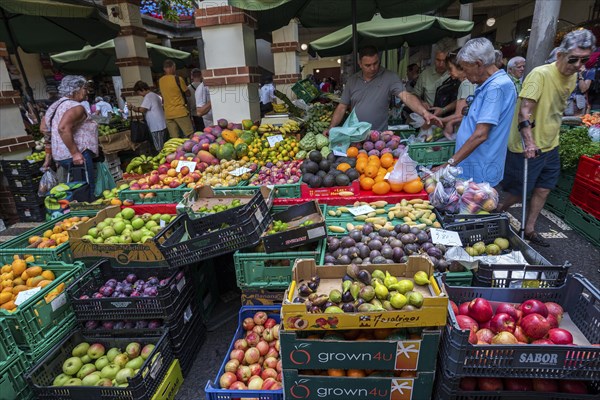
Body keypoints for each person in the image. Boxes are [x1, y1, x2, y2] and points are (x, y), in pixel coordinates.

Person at [498, 29, 596, 246]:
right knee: (519, 191)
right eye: (574, 59)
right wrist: (530, 143)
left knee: (544, 187)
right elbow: (525, 111)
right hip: (528, 145)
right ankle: (498, 211)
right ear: (560, 55)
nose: (579, 65)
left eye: (584, 60)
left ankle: (530, 229)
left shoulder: (571, 78)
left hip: (551, 143)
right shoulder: (540, 74)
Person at [435, 38, 517, 188]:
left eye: (466, 69)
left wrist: (448, 164)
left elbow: (481, 134)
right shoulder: (487, 85)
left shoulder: (496, 87)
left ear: (479, 64)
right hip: (471, 168)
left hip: (480, 173)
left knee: (472, 209)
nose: (464, 75)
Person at [326, 45, 441, 133]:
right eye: (368, 65)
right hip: (355, 136)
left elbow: (406, 96)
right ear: (360, 63)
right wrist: (331, 127)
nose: (373, 68)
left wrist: (424, 112)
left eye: (375, 63)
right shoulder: (352, 81)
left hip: (379, 138)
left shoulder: (389, 77)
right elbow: (342, 107)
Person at [40, 75, 99, 196]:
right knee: (86, 189)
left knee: (74, 190)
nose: (86, 92)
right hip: (78, 154)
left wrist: (49, 156)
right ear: (76, 89)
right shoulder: (76, 107)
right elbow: (63, 128)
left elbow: (44, 129)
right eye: (84, 88)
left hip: (61, 156)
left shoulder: (55, 106)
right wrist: (75, 153)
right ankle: (88, 211)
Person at [440, 50, 477, 139]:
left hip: (465, 132)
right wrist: (443, 110)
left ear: (460, 67)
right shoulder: (471, 82)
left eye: (450, 68)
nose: (449, 72)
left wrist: (438, 120)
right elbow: (462, 101)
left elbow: (459, 115)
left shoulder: (466, 84)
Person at [158, 59, 194, 138]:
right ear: (173, 67)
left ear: (164, 69)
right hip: (180, 111)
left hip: (168, 113)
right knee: (190, 134)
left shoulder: (160, 81)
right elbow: (188, 94)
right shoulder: (178, 79)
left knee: (175, 139)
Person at [128, 81, 168, 152]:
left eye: (139, 92)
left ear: (142, 89)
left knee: (159, 147)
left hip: (156, 126)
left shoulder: (148, 96)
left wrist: (132, 107)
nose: (140, 95)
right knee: (164, 145)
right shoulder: (155, 95)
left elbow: (142, 109)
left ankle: (163, 160)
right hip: (162, 124)